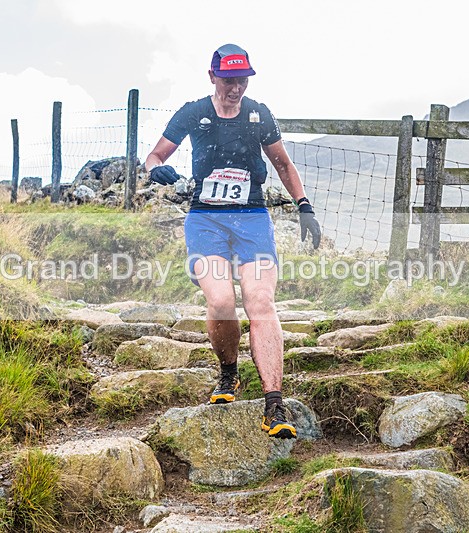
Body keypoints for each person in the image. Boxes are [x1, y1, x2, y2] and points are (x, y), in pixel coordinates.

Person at [145, 44, 322, 439]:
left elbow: (282, 163)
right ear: (213, 77)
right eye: (229, 80)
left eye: (242, 80)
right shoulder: (194, 112)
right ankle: (229, 372)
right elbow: (154, 156)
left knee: (260, 300)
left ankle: (274, 403)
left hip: (252, 220)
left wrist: (304, 205)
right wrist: (158, 170)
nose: (236, 88)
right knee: (222, 301)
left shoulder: (259, 114)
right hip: (205, 220)